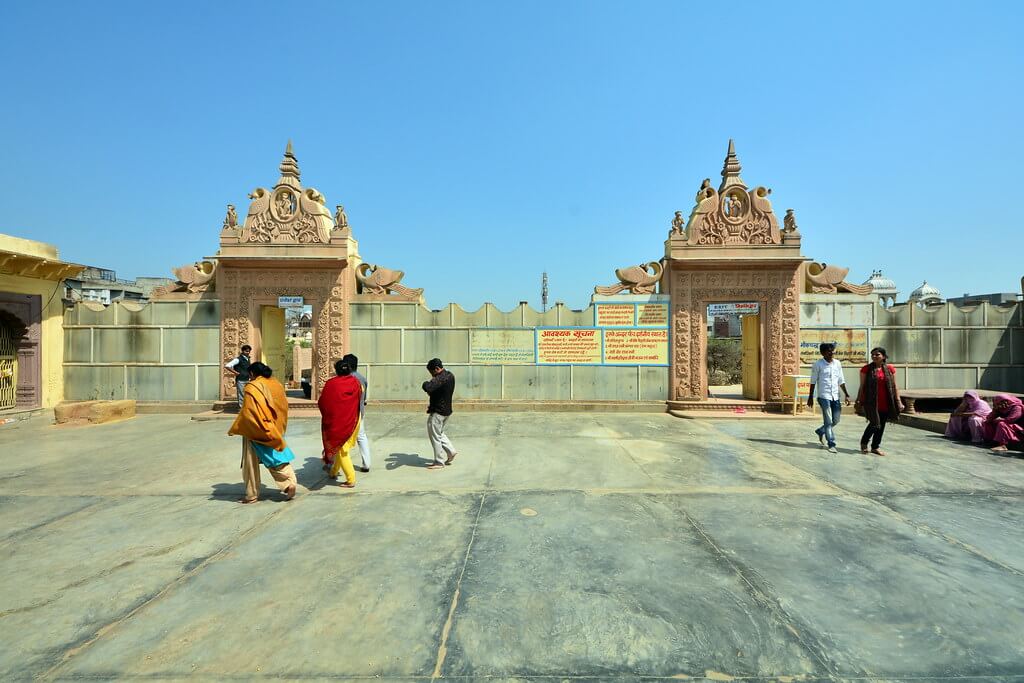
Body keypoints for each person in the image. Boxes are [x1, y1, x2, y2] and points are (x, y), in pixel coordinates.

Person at [227, 362, 297, 504]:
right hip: (276, 427)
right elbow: (283, 405)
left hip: (256, 428)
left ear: (252, 374)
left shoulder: (252, 387)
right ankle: (290, 482)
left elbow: (249, 412)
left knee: (250, 463)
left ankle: (251, 495)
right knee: (277, 456)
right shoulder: (276, 384)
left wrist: (240, 427)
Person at [318, 358, 363, 488]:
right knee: (340, 447)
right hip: (353, 420)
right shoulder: (356, 382)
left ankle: (351, 479)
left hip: (339, 422)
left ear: (336, 370)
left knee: (343, 450)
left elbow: (323, 402)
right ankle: (333, 471)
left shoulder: (331, 384)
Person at [855, 347, 903, 456]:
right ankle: (864, 443)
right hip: (871, 402)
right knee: (874, 423)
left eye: (877, 354)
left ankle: (875, 447)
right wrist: (858, 400)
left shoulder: (890, 369)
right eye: (873, 355)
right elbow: (862, 386)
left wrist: (898, 401)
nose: (874, 356)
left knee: (881, 425)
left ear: (884, 357)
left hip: (886, 402)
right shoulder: (866, 369)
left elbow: (894, 386)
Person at [807, 342, 851, 453]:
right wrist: (810, 397)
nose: (831, 353)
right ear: (823, 353)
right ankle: (831, 443)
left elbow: (841, 380)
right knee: (828, 420)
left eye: (832, 350)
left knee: (835, 420)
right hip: (823, 396)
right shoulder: (818, 364)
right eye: (828, 351)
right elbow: (813, 382)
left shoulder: (837, 363)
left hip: (835, 396)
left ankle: (820, 431)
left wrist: (846, 394)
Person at [422, 358, 457, 471]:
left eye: (432, 372)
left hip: (438, 411)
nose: (432, 376)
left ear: (437, 369)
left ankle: (439, 461)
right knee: (439, 433)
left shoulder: (440, 378)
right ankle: (451, 451)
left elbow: (428, 387)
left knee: (435, 436)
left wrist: (425, 383)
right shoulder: (450, 375)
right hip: (447, 411)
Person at [343, 353, 372, 473]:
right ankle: (366, 464)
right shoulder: (362, 378)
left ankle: (336, 465)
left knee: (341, 439)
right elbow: (364, 399)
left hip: (346, 414)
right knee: (361, 437)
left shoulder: (345, 379)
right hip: (359, 412)